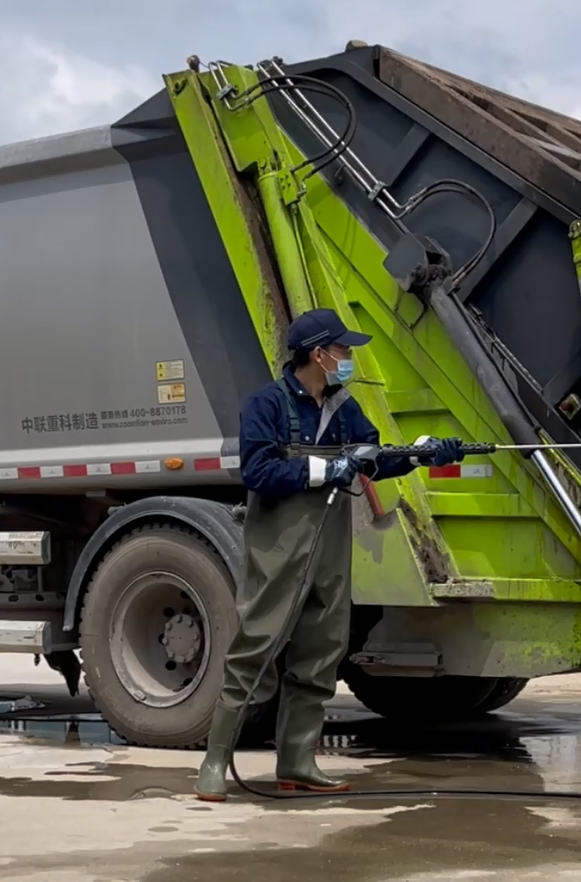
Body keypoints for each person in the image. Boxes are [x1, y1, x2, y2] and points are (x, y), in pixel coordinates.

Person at [194, 308, 465, 801]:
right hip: (279, 548)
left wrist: (425, 453)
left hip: (329, 547)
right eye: (343, 350)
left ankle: (296, 762)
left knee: (321, 649)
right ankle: (215, 763)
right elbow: (257, 471)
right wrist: (325, 472)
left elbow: (375, 458)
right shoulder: (267, 405)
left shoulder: (343, 407)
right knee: (256, 646)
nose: (349, 357)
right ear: (318, 354)